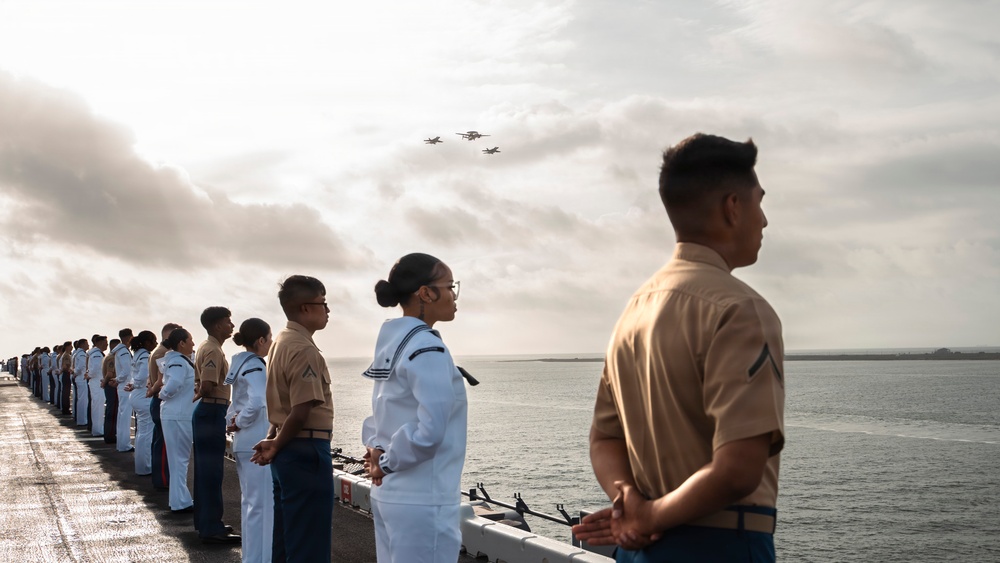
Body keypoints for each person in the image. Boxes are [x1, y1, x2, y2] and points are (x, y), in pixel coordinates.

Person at [571, 134, 785, 562]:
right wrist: (647, 517)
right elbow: (738, 470)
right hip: (721, 546)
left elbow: (604, 439)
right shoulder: (740, 309)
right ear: (733, 206)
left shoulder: (634, 310)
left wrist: (628, 498)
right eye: (760, 203)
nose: (764, 221)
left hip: (639, 551)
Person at [361, 253, 468, 563]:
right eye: (449, 286)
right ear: (426, 293)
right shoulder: (427, 346)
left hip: (391, 496)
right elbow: (431, 430)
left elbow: (380, 414)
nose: (453, 295)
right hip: (424, 499)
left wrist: (377, 453)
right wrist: (388, 462)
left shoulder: (394, 342)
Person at [251, 275, 334, 563]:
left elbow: (281, 404)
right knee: (310, 543)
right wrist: (275, 444)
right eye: (323, 303)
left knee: (288, 539)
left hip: (288, 450)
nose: (328, 310)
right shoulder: (303, 349)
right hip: (305, 450)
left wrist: (273, 440)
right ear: (305, 308)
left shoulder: (281, 342)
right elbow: (300, 410)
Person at [225, 317, 274, 562]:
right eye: (270, 337)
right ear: (261, 340)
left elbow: (235, 402)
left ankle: (251, 557)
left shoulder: (239, 363)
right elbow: (257, 401)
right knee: (262, 506)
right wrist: (242, 421)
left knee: (251, 504)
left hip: (244, 441)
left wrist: (234, 420)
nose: (272, 342)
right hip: (256, 438)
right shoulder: (256, 365)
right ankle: (260, 558)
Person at [159, 327, 197, 513]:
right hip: (177, 415)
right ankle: (180, 502)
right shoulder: (178, 362)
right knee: (179, 460)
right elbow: (174, 383)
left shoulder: (178, 360)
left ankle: (179, 499)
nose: (193, 343)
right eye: (190, 340)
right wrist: (162, 394)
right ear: (181, 343)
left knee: (178, 460)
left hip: (178, 415)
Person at [148, 323, 180, 490]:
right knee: (163, 444)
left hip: (157, 399)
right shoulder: (163, 354)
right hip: (161, 399)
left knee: (159, 441)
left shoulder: (157, 351)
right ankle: (162, 479)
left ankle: (160, 478)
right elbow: (162, 381)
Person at [127, 331, 157, 475]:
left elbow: (135, 375)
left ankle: (141, 465)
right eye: (154, 341)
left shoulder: (137, 353)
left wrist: (133, 384)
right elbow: (144, 375)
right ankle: (145, 467)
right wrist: (137, 384)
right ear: (147, 343)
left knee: (142, 432)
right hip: (143, 395)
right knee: (146, 433)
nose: (156, 344)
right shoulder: (145, 355)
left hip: (136, 395)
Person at [112, 329, 135, 451]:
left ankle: (122, 444)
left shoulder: (121, 351)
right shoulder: (124, 352)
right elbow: (126, 371)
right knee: (125, 417)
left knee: (122, 416)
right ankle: (124, 445)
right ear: (128, 338)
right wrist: (118, 379)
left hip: (123, 385)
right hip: (125, 386)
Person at [87, 335, 108, 436]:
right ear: (100, 343)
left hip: (96, 382)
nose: (107, 344)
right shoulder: (97, 354)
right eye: (105, 342)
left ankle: (98, 428)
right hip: (97, 382)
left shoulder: (96, 353)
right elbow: (94, 369)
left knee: (97, 406)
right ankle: (98, 430)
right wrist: (89, 375)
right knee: (98, 407)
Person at [102, 338, 121, 445]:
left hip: (110, 385)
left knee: (111, 411)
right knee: (112, 412)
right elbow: (109, 373)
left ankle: (110, 434)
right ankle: (110, 435)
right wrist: (104, 382)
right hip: (112, 386)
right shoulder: (112, 358)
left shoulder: (108, 356)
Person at [72, 340, 90, 426]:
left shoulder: (77, 353)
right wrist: (75, 372)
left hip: (79, 378)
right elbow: (81, 366)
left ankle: (80, 419)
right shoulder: (82, 354)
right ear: (82, 344)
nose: (88, 345)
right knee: (83, 400)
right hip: (82, 378)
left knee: (81, 399)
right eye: (86, 344)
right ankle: (82, 420)